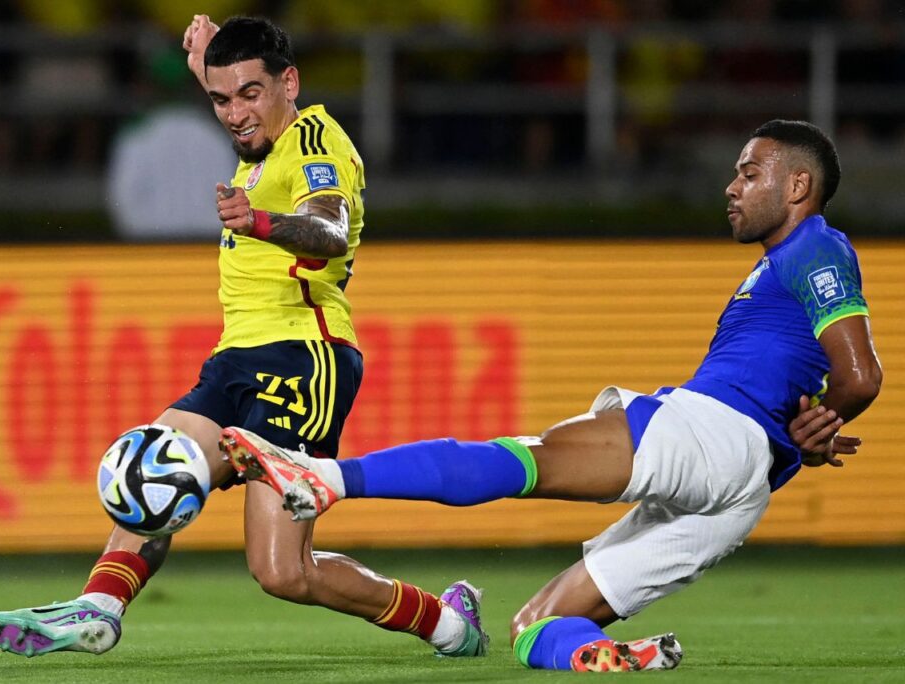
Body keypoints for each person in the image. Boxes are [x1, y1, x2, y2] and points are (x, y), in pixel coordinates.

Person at [219, 120, 883, 672]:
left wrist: (829, 413)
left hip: (710, 434)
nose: (732, 187)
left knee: (523, 460)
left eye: (750, 174)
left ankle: (326, 477)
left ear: (799, 185)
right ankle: (596, 652)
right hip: (741, 492)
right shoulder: (779, 266)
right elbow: (817, 387)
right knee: (535, 626)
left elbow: (861, 376)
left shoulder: (814, 249)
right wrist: (806, 429)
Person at [0, 15, 486, 659]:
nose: (234, 113)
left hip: (304, 361)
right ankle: (99, 608)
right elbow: (239, 99)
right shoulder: (262, 139)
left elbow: (327, 230)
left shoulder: (315, 144)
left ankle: (446, 623)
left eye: (250, 93)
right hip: (235, 358)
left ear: (290, 83)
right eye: (221, 99)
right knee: (151, 469)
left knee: (282, 572)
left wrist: (261, 221)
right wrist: (208, 65)